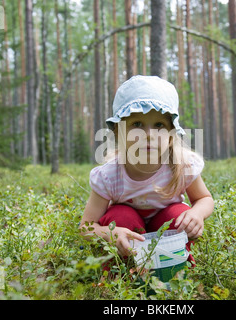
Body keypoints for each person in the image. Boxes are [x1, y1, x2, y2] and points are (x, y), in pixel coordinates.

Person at [79, 75, 214, 270]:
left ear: (170, 135)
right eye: (137, 124)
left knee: (180, 213)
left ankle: (172, 272)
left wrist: (197, 214)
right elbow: (86, 227)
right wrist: (110, 234)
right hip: (129, 234)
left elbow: (205, 199)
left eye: (159, 125)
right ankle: (123, 275)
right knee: (120, 215)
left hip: (166, 234)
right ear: (118, 132)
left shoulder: (181, 165)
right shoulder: (110, 175)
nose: (148, 134)